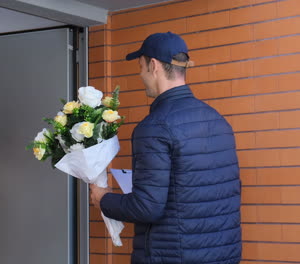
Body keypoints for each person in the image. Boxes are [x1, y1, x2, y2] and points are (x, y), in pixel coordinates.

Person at [90, 32, 242, 264]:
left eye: (140, 67)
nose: (141, 75)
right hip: (222, 256)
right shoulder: (218, 120)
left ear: (153, 66)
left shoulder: (155, 126)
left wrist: (105, 200)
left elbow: (147, 207)